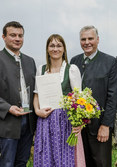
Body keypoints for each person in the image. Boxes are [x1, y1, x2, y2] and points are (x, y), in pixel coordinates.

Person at [0, 21, 37, 167]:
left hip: (28, 122)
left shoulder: (30, 61)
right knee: (8, 163)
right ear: (4, 37)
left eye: (20, 36)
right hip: (7, 122)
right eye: (13, 35)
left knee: (22, 163)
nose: (17, 39)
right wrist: (8, 108)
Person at [33, 34, 85, 167]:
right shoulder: (41, 69)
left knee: (65, 157)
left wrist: (78, 122)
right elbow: (37, 95)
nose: (55, 49)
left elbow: (79, 99)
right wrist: (38, 111)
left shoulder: (72, 69)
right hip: (45, 119)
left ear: (64, 49)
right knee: (46, 155)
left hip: (65, 121)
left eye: (58, 45)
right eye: (52, 45)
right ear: (47, 49)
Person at [70, 25, 117, 167]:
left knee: (101, 163)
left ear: (98, 40)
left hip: (99, 127)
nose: (87, 42)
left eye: (90, 38)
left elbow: (113, 97)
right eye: (83, 39)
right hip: (78, 128)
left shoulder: (110, 62)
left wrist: (106, 125)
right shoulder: (74, 61)